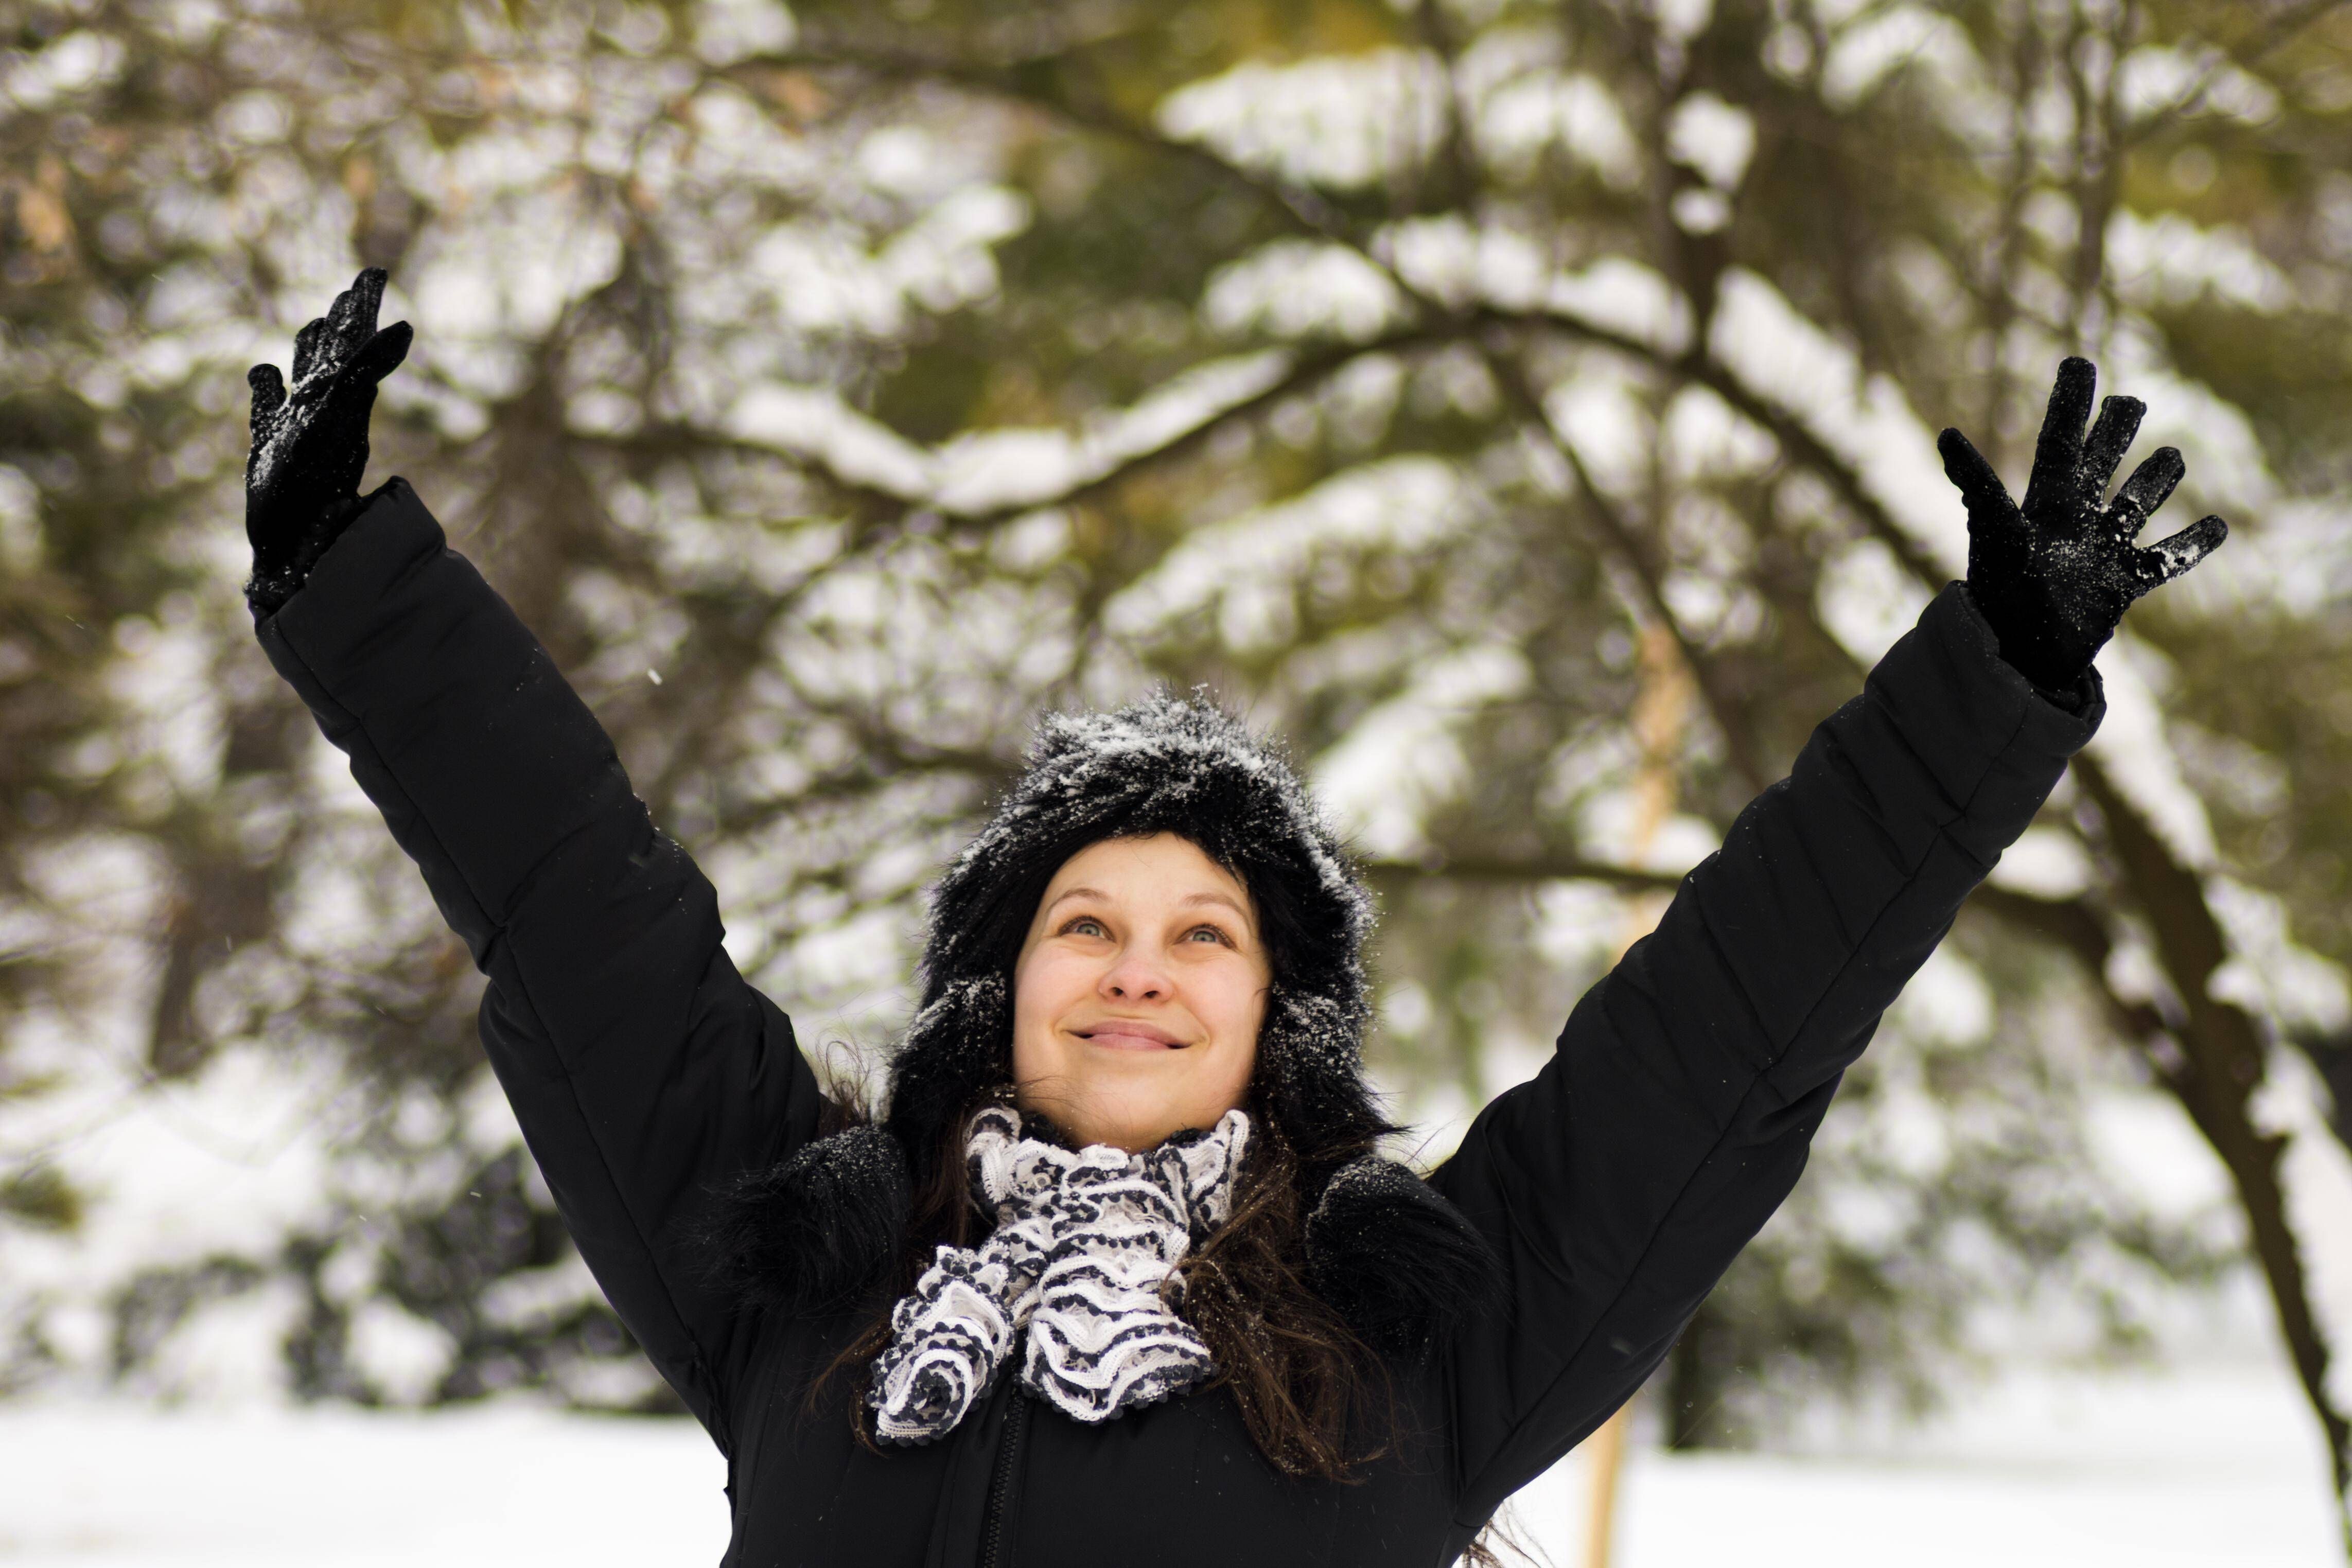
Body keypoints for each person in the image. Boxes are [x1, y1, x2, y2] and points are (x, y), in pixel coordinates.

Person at [239, 268, 2226, 1567]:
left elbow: (1731, 1025)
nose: (1135, 967)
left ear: (1280, 1017)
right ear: (997, 990)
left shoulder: (1421, 1324)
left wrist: (1990, 678)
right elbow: (579, 918)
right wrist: (348, 577)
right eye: (1082, 923)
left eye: (1205, 935)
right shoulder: (800, 1265)